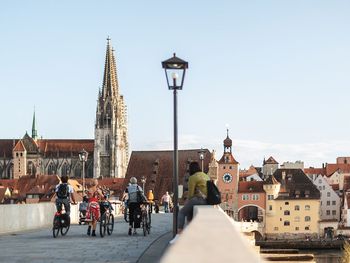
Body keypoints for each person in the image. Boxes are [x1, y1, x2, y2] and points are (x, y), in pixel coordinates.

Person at [173, 161, 209, 242]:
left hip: (200, 199)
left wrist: (186, 201)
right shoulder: (206, 175)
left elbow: (190, 194)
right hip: (207, 201)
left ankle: (179, 235)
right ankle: (190, 232)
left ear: (191, 169)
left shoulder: (193, 177)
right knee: (189, 209)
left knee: (182, 212)